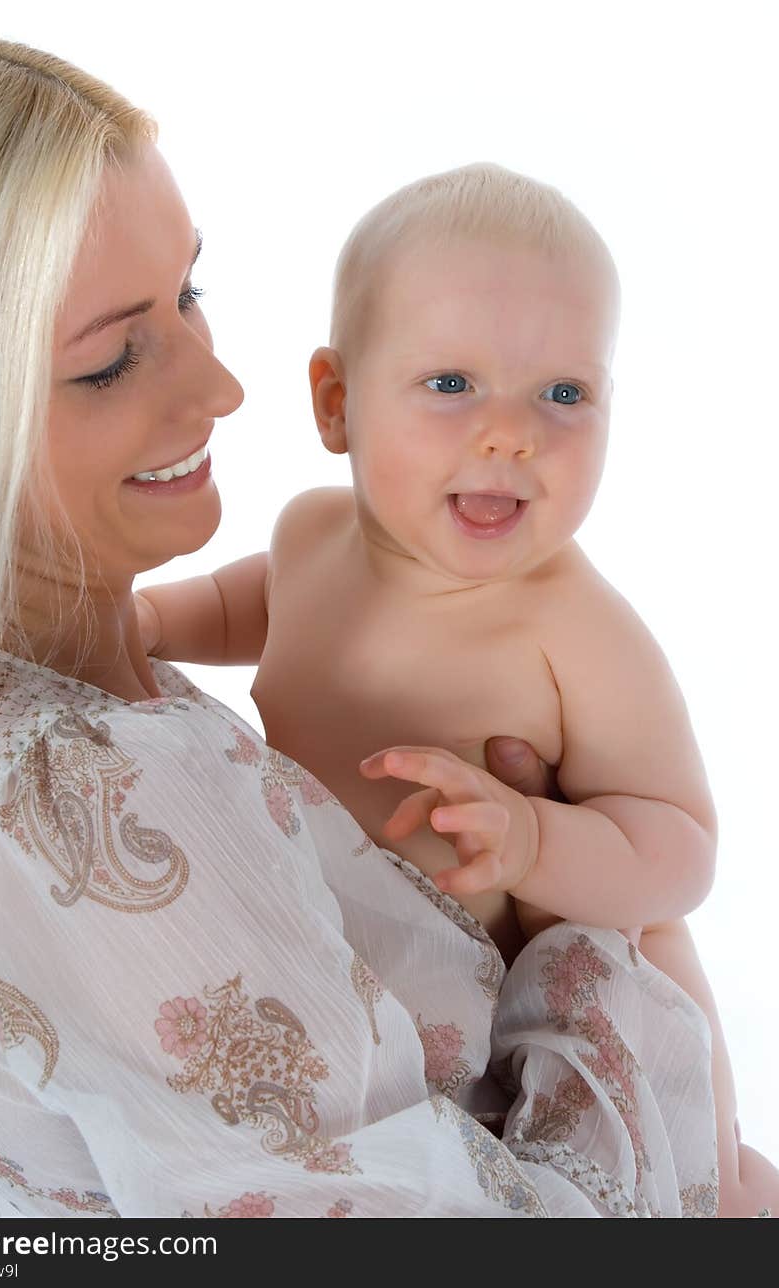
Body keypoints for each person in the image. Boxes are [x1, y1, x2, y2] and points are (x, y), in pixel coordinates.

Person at [0, 17, 718, 1219]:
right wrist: (572, 929)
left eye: (189, 292)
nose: (222, 386)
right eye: (112, 360)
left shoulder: (61, 706)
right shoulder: (76, 806)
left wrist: (564, 858)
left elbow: (683, 845)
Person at [134, 162, 777, 1218]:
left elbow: (679, 845)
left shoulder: (574, 629)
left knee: (698, 1181)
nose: (509, 431)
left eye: (563, 394)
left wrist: (533, 841)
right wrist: (159, 622)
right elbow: (250, 602)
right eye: (451, 384)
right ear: (336, 403)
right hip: (381, 991)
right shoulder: (309, 531)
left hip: (550, 986)